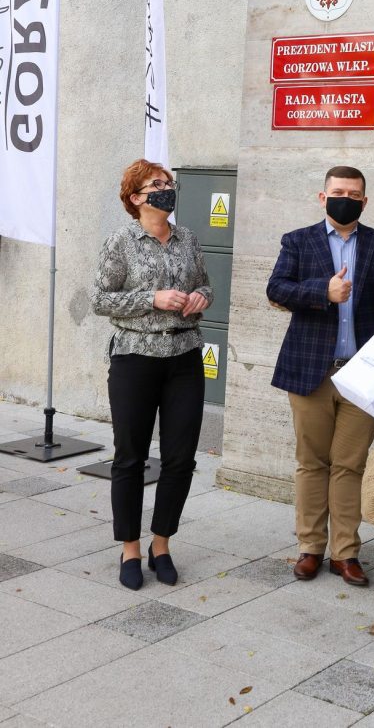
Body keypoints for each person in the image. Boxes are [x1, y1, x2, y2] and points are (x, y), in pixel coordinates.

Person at [268, 165, 374, 587]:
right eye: (338, 192)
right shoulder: (298, 241)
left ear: (365, 201)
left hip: (363, 374)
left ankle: (346, 553)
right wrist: (323, 291)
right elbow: (277, 288)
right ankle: (310, 548)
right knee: (311, 463)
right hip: (311, 372)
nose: (346, 200)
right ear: (323, 198)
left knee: (350, 465)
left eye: (354, 195)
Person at [91, 159, 212, 590]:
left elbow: (206, 285)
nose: (166, 189)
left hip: (184, 356)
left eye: (168, 182)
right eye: (156, 184)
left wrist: (200, 298)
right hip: (135, 358)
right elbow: (100, 299)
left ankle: (162, 545)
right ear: (136, 198)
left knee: (180, 458)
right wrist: (152, 298)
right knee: (130, 457)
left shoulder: (188, 239)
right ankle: (130, 549)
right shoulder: (120, 242)